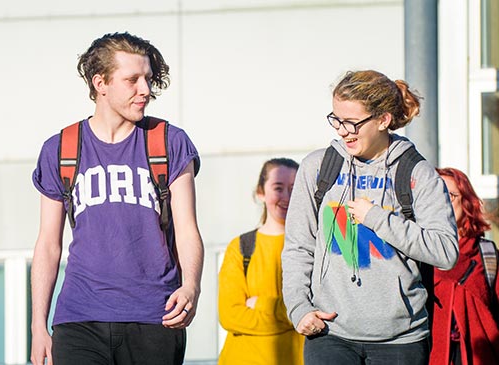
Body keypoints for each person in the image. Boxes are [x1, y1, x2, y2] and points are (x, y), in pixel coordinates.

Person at [30, 32, 203, 365]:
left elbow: (187, 229)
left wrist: (192, 286)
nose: (146, 90)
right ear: (101, 83)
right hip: (78, 319)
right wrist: (39, 325)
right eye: (132, 80)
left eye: (149, 80)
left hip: (155, 317)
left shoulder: (169, 143)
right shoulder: (60, 149)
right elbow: (48, 244)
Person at [281, 70, 459, 365]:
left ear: (383, 120)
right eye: (336, 119)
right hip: (329, 334)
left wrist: (377, 218)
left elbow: (445, 251)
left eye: (351, 122)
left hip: (401, 340)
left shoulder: (416, 173)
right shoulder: (317, 167)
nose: (341, 130)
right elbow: (299, 247)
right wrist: (299, 307)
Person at [218, 158, 303, 364]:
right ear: (260, 193)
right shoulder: (240, 247)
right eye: (278, 188)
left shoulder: (315, 247)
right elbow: (230, 315)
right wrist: (294, 315)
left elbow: (320, 309)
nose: (286, 197)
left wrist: (261, 304)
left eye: (294, 188)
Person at [430, 167, 499, 365]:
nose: (441, 202)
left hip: (480, 354)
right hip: (429, 354)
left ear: (466, 201)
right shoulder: (418, 253)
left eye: (449, 195)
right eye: (435, 195)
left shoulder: (486, 254)